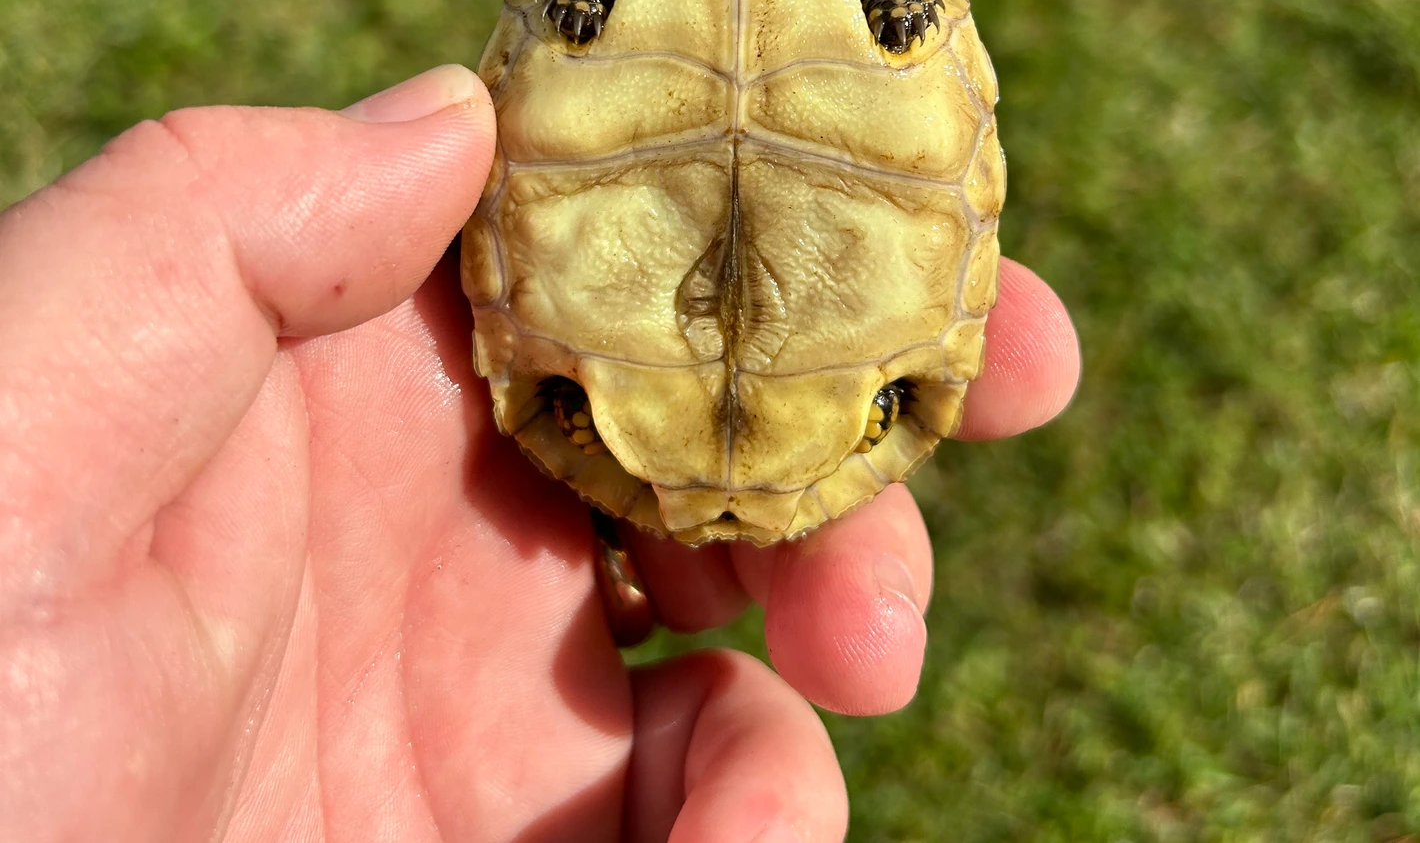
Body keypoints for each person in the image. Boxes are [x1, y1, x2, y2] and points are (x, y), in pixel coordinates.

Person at [0, 64, 1080, 843]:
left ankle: (614, 436)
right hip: (646, 400)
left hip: (596, 394)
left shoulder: (605, 9)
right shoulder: (872, 19)